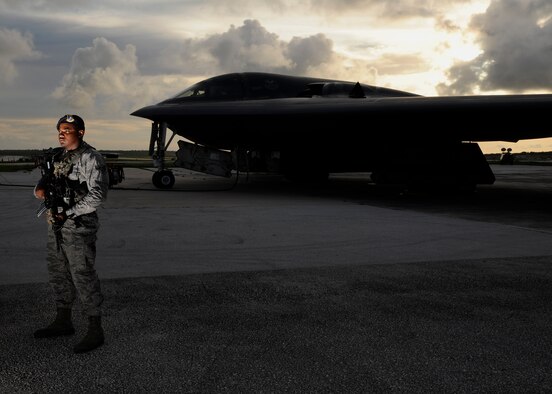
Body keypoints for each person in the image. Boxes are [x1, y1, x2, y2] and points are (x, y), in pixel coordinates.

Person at [33, 114, 109, 353]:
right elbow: (44, 186)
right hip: (55, 224)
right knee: (58, 272)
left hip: (78, 226)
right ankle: (63, 320)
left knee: (82, 274)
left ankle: (95, 329)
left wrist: (70, 212)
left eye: (67, 129)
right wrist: (41, 190)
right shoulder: (58, 157)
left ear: (81, 132)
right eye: (60, 129)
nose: (62, 133)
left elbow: (97, 196)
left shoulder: (90, 158)